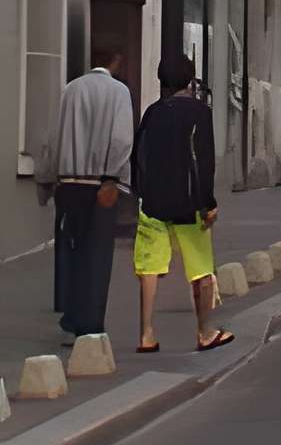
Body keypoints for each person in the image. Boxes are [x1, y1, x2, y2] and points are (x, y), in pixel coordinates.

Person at [132, 55, 231, 354]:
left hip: (154, 201)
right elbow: (204, 159)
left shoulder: (152, 113)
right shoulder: (200, 112)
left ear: (162, 80)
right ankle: (205, 331)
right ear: (190, 80)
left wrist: (142, 192)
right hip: (189, 202)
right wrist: (208, 202)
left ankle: (146, 334)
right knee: (200, 267)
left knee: (149, 266)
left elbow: (139, 155)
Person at [53, 45, 134, 343]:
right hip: (101, 183)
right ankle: (90, 325)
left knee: (72, 250)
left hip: (70, 180)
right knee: (97, 254)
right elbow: (122, 138)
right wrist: (112, 178)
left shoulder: (70, 90)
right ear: (115, 60)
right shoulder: (119, 92)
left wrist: (52, 177)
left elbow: (56, 133)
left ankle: (72, 316)